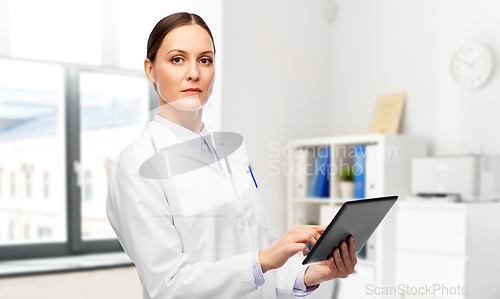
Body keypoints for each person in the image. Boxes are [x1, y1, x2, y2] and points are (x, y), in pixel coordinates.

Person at [106, 12, 357, 299]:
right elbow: (169, 285)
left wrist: (313, 273)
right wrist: (264, 258)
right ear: (150, 70)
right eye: (177, 59)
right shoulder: (135, 166)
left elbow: (258, 256)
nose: (194, 73)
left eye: (205, 59)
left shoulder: (232, 155)